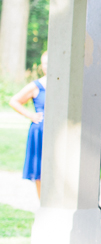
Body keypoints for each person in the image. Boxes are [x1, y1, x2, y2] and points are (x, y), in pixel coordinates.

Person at [9, 52, 48, 199]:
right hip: (40, 130)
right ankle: (42, 202)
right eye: (45, 63)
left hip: (57, 131)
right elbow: (14, 101)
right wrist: (31, 115)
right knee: (40, 169)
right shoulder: (37, 85)